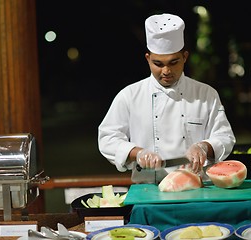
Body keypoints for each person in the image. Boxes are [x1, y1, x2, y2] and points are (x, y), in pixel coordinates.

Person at [98, 13, 236, 184]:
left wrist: (203, 147)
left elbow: (224, 137)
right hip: (147, 188)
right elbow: (107, 138)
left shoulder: (206, 94)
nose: (166, 71)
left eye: (173, 62)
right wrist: (138, 152)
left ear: (185, 57)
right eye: (158, 64)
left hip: (197, 187)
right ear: (148, 59)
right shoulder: (129, 96)